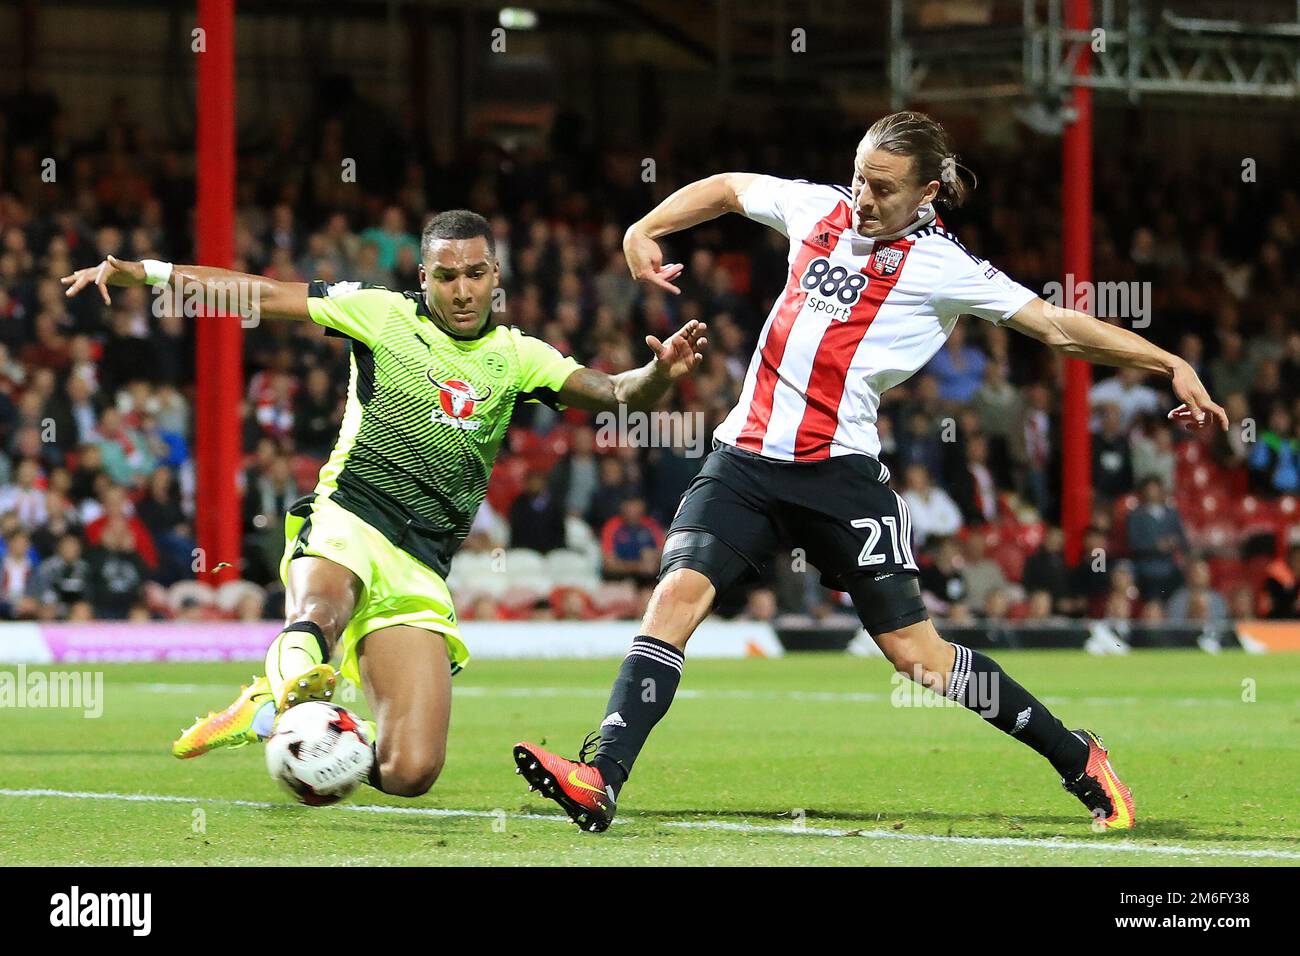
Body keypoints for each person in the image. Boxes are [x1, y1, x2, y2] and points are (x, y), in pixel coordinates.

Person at [514, 110, 1226, 833]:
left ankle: (1078, 756)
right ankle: (601, 775)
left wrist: (1168, 362)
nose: (862, 195)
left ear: (926, 195)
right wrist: (644, 230)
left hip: (840, 475)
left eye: (882, 187)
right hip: (744, 459)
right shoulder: (818, 206)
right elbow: (729, 188)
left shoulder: (945, 266)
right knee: (674, 599)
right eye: (859, 175)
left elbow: (1054, 326)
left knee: (917, 657)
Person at [62, 209, 707, 798]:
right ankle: (293, 684)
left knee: (410, 770)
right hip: (351, 514)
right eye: (447, 276)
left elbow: (617, 392)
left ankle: (266, 712)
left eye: (476, 274)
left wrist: (659, 374)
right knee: (320, 610)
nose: (462, 290)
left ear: (494, 277)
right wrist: (147, 274)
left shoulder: (518, 356)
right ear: (424, 276)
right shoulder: (378, 313)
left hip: (422, 559)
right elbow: (258, 294)